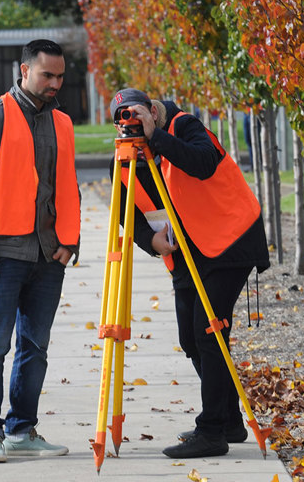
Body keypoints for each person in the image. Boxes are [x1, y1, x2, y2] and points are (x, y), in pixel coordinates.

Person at [109, 88, 270, 459]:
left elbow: (203, 163)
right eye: (123, 119)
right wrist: (150, 241)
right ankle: (229, 421)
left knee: (209, 332)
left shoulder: (184, 125)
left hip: (229, 242)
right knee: (191, 339)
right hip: (186, 253)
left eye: (136, 115)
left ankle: (211, 431)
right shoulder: (125, 153)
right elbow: (124, 210)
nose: (130, 123)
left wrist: (157, 138)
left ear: (152, 111)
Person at [0, 39, 80, 464]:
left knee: (35, 347)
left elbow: (68, 185)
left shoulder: (63, 122)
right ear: (24, 70)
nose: (55, 83)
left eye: (60, 76)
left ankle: (22, 430)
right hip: (3, 255)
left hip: (49, 256)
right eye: (47, 75)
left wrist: (70, 242)